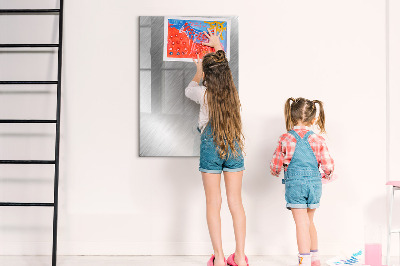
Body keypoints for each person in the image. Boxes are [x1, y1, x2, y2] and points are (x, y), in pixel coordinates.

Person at [185, 28, 248, 266]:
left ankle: (220, 258)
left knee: (214, 203)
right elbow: (224, 71)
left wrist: (199, 70)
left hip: (211, 148)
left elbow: (188, 89)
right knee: (236, 202)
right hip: (233, 146)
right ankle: (240, 257)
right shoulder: (233, 93)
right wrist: (219, 46)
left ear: (208, 77)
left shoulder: (203, 94)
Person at [270, 98, 335, 266]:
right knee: (309, 222)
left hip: (295, 186)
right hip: (314, 185)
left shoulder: (285, 138)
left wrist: (275, 171)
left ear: (291, 117)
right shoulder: (318, 139)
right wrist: (327, 176)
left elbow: (275, 164)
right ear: (313, 120)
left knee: (301, 224)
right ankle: (315, 260)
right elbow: (328, 165)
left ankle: (304, 261)